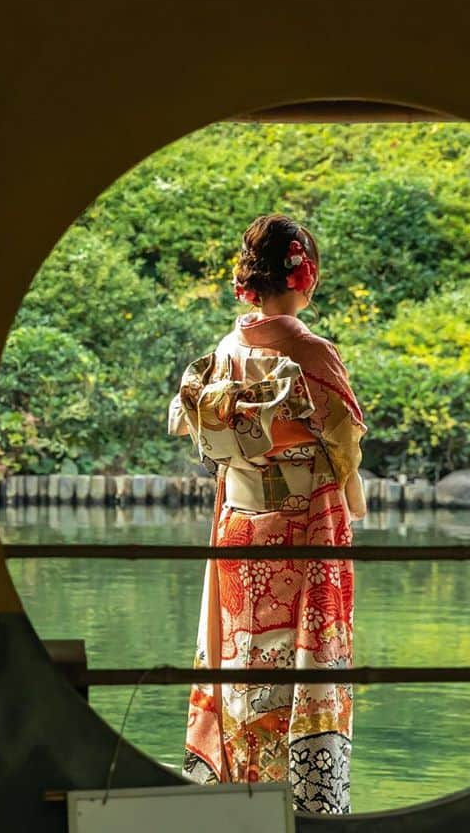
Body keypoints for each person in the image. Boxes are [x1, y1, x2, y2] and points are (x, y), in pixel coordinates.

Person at [169, 213, 367, 815]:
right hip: (303, 523)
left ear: (249, 282)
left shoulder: (223, 355)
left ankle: (236, 798)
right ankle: (308, 803)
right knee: (304, 663)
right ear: (304, 275)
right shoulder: (312, 353)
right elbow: (345, 443)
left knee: (242, 658)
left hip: (240, 523)